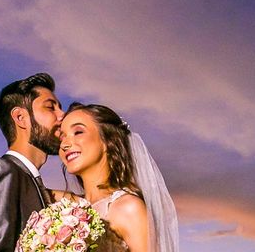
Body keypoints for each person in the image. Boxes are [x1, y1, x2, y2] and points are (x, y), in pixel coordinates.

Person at [0, 73, 65, 252]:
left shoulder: (26, 181)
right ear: (20, 118)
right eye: (50, 107)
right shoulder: (3, 172)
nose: (62, 115)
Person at [57, 103, 179, 252]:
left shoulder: (128, 208)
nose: (64, 144)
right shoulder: (67, 208)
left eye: (78, 132)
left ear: (107, 141)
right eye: (61, 138)